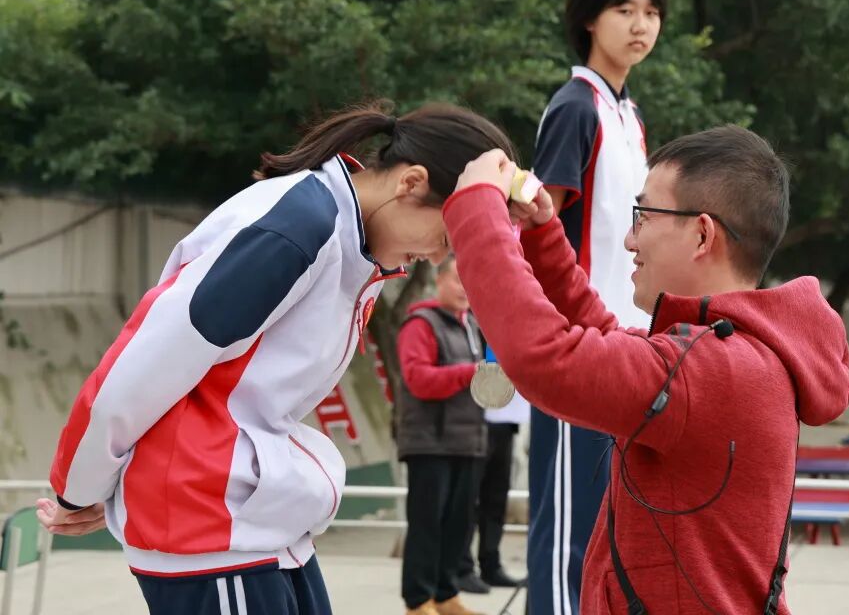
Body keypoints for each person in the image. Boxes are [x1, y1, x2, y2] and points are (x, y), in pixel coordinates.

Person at [35, 104, 515, 615]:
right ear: (411, 184)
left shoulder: (351, 242)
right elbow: (147, 359)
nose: (441, 257)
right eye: (446, 236)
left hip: (251, 517)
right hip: (206, 520)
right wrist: (78, 487)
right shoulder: (299, 229)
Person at [444, 126, 849, 614]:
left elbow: (545, 359)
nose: (629, 238)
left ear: (702, 233)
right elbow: (608, 340)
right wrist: (540, 238)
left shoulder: (713, 368)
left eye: (644, 215)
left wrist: (476, 211)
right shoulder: (733, 355)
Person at [528, 0, 665, 615]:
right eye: (624, 9)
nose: (640, 25)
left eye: (651, 13)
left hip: (630, 345)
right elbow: (536, 225)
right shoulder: (575, 109)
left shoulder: (630, 117)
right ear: (587, 18)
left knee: (613, 523)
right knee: (567, 528)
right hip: (574, 345)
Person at [396, 255, 488, 615]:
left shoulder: (472, 326)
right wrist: (470, 373)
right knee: (427, 524)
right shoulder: (421, 324)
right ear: (439, 281)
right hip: (429, 443)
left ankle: (446, 594)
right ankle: (418, 601)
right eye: (458, 280)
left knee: (459, 526)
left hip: (468, 440)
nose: (465, 288)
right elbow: (418, 380)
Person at [458, 390, 529, 591]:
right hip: (475, 421)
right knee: (469, 500)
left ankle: (491, 565)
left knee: (496, 499)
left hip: (505, 422)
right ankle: (462, 567)